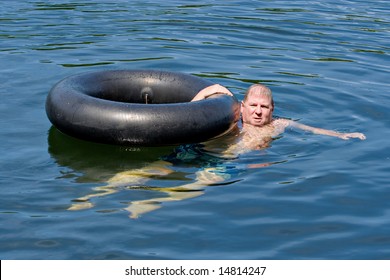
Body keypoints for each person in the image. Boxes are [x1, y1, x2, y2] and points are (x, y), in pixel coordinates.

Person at [68, 83, 366, 218]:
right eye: (254, 106)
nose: (259, 112)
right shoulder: (231, 115)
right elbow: (193, 107)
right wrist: (216, 87)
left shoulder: (281, 125)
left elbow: (313, 130)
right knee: (150, 170)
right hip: (200, 149)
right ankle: (94, 196)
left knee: (202, 181)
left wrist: (342, 135)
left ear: (273, 110)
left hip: (227, 161)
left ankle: (148, 203)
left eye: (265, 107)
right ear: (243, 106)